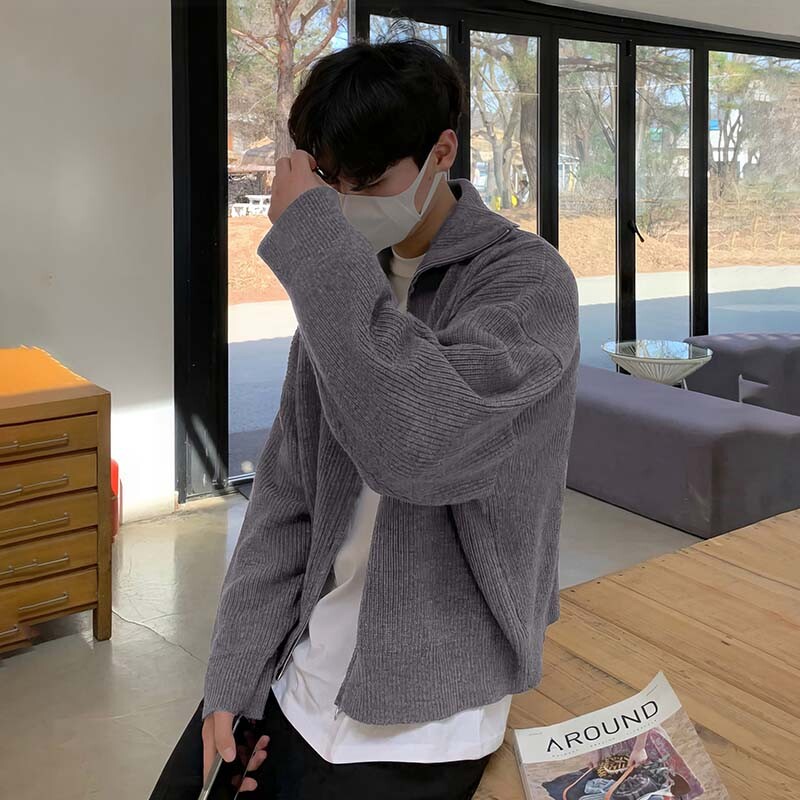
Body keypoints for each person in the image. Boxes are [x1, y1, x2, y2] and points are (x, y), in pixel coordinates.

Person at [149, 24, 579, 800]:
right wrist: (234, 670)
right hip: (300, 669)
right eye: (329, 181)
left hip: (429, 714)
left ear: (442, 152)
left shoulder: (527, 283)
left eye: (369, 182)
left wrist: (314, 240)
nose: (344, 204)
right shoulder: (351, 286)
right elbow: (286, 495)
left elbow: (418, 447)